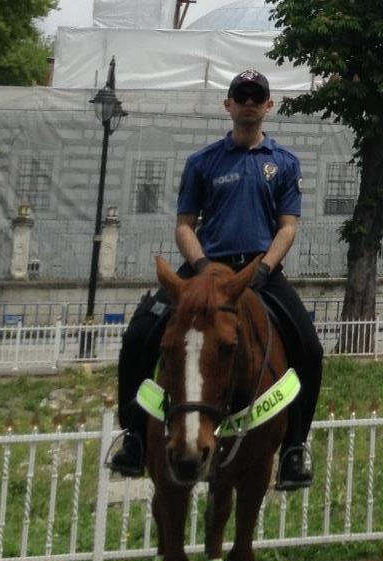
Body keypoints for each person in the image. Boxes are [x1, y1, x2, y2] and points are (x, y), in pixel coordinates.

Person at [108, 70, 322, 489]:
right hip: (205, 269)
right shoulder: (202, 162)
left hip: (257, 273)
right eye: (240, 96)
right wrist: (202, 267)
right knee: (139, 337)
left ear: (268, 106)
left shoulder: (283, 163)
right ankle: (133, 436)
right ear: (227, 105)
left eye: (256, 97)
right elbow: (185, 225)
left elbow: (288, 227)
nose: (248, 103)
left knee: (310, 349)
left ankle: (295, 447)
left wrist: (262, 269)